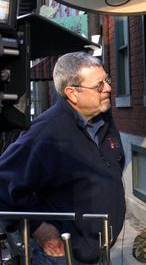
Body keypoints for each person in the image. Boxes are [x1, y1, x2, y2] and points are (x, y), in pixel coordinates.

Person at [0, 52, 125, 264]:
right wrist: (39, 228)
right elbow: (3, 181)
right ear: (72, 93)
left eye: (107, 80)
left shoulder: (103, 118)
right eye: (98, 86)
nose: (108, 88)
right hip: (64, 254)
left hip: (99, 249)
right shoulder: (46, 133)